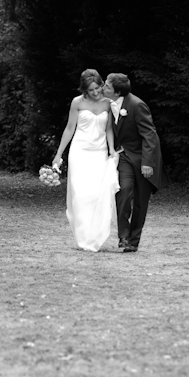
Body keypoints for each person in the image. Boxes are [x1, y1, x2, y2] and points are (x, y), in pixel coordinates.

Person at [53, 69, 120, 251]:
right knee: (80, 195)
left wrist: (111, 149)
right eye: (91, 90)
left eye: (98, 88)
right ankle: (83, 238)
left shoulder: (108, 103)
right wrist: (59, 154)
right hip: (79, 152)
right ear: (84, 90)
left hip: (99, 152)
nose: (96, 93)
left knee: (96, 195)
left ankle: (95, 235)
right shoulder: (77, 102)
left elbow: (108, 130)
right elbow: (69, 129)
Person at [103, 73, 170, 252]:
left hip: (142, 159)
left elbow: (150, 135)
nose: (103, 88)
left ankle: (133, 241)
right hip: (124, 156)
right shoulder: (110, 104)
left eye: (107, 86)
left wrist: (148, 163)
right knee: (123, 190)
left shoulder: (137, 105)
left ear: (117, 92)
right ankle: (123, 236)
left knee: (141, 201)